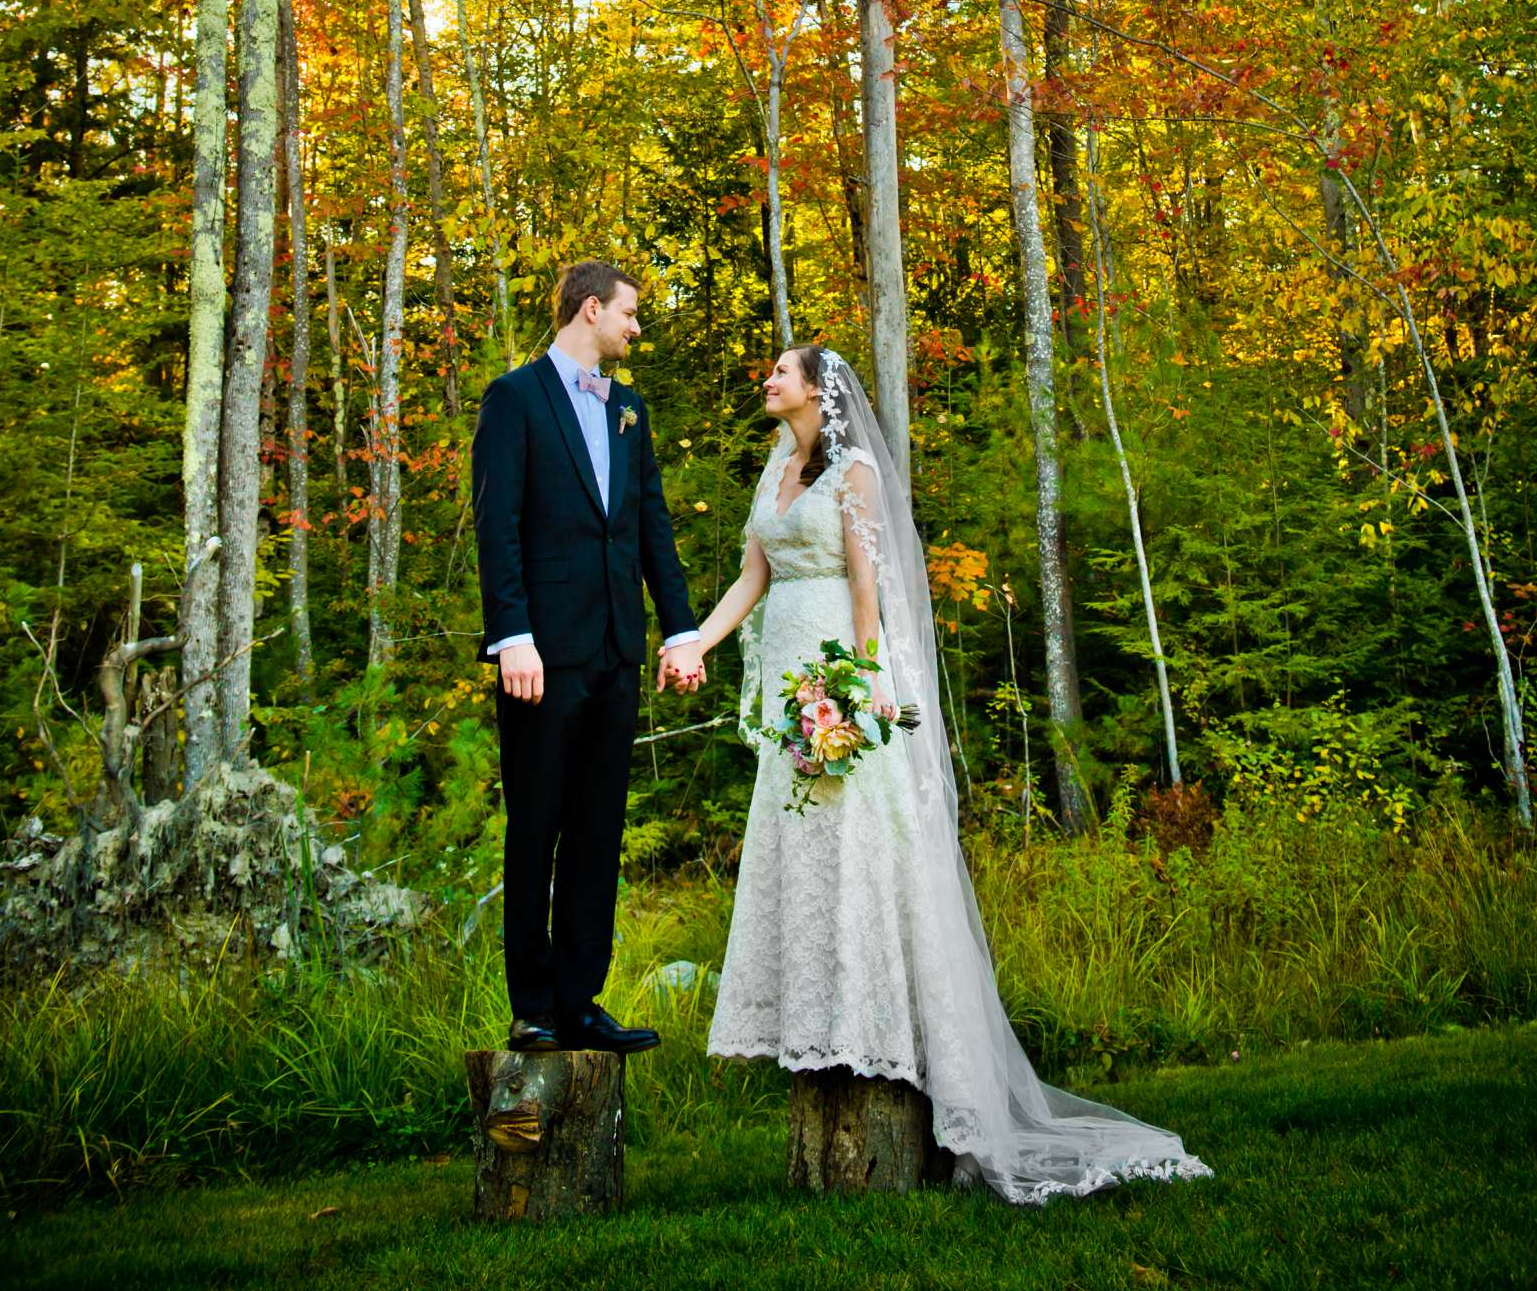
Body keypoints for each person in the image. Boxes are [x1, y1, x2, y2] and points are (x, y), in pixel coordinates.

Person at [680, 343, 1214, 1203]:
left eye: (780, 371)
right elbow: (750, 578)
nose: (767, 381)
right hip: (787, 687)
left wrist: (852, 694)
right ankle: (819, 1017)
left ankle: (878, 1026)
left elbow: (868, 598)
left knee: (859, 850)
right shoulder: (774, 469)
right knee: (804, 850)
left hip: (836, 683)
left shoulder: (853, 475)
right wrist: (693, 643)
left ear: (817, 390)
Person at [472, 259, 704, 1055]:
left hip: (615, 650)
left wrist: (678, 632)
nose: (636, 329)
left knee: (599, 831)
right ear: (592, 310)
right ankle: (533, 1006)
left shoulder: (629, 409)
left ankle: (579, 1000)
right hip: (539, 653)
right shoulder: (514, 397)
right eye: (630, 315)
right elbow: (496, 525)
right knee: (535, 828)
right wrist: (513, 636)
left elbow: (650, 529)